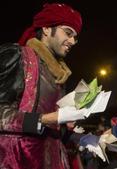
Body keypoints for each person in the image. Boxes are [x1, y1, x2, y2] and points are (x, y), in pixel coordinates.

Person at [0, 3, 88, 169]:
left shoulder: (60, 76)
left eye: (75, 37)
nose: (72, 41)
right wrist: (48, 119)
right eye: (68, 33)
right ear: (47, 29)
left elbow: (52, 134)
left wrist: (71, 132)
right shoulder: (17, 56)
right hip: (17, 161)